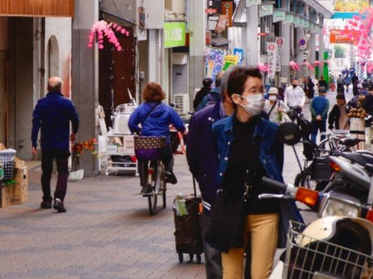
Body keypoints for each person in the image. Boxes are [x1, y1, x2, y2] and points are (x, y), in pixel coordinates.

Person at [208, 67, 302, 279]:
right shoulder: (219, 130)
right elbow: (216, 166)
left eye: (261, 89)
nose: (260, 96)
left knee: (260, 274)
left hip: (265, 211)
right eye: (253, 90)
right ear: (236, 98)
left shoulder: (271, 131)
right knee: (231, 274)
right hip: (231, 209)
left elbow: (276, 169)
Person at [186, 69, 233, 279]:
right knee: (213, 249)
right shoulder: (202, 119)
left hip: (245, 193)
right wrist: (206, 180)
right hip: (213, 191)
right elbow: (193, 156)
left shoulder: (255, 119)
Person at [32, 77, 80, 213]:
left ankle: (47, 200)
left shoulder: (41, 103)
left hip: (46, 144)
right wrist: (74, 132)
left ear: (47, 88)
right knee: (63, 171)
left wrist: (34, 142)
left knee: (46, 172)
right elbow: (76, 119)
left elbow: (35, 124)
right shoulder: (67, 103)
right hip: (62, 144)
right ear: (60, 88)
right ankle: (59, 199)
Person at [129, 82, 186, 191]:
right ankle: (168, 171)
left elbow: (131, 123)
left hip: (146, 142)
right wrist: (182, 130)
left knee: (142, 159)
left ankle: (145, 185)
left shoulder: (140, 109)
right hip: (162, 142)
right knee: (169, 157)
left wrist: (138, 130)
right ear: (161, 93)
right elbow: (179, 125)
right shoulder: (168, 109)